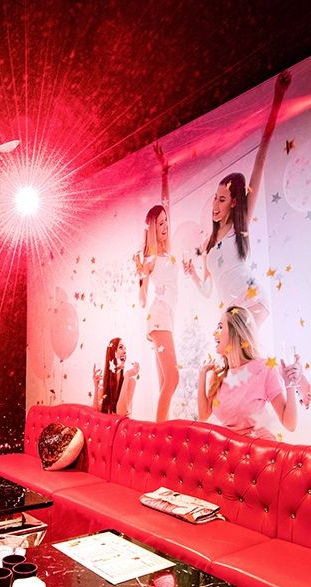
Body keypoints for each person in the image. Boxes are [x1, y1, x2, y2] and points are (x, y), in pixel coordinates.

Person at [185, 71, 290, 325]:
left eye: (222, 199)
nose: (215, 205)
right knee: (228, 349)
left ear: (233, 202)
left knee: (240, 349)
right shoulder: (208, 244)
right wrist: (193, 275)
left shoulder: (238, 227)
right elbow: (208, 291)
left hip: (252, 301)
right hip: (232, 310)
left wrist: (278, 98)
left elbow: (260, 161)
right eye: (215, 198)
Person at [197, 306, 311, 439]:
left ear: (236, 332)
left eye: (221, 327)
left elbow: (290, 425)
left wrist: (290, 384)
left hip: (258, 448)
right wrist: (202, 375)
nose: (214, 333)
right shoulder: (219, 375)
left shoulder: (264, 369)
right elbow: (203, 415)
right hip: (231, 448)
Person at [132, 142, 180, 422]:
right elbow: (141, 300)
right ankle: (160, 432)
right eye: (160, 223)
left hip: (167, 317)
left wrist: (164, 173)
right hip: (159, 316)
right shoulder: (150, 258)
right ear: (152, 227)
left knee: (166, 381)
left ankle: (162, 427)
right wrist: (142, 275)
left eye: (165, 222)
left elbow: (167, 205)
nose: (165, 226)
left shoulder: (166, 251)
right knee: (172, 378)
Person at [92, 337, 138, 416]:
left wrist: (127, 375)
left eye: (125, 349)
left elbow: (121, 413)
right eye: (121, 347)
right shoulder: (103, 387)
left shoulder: (130, 382)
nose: (125, 351)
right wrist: (96, 387)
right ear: (112, 353)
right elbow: (95, 415)